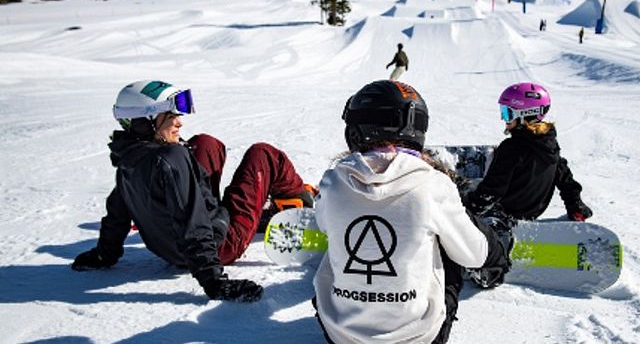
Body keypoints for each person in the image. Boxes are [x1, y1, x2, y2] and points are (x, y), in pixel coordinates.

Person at [71, 80, 313, 302]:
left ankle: (253, 212)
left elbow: (118, 214)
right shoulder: (171, 159)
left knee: (205, 144)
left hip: (172, 249)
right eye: (170, 116)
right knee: (264, 155)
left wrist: (105, 255)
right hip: (219, 246)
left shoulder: (128, 161)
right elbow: (192, 222)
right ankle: (297, 203)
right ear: (144, 123)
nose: (179, 121)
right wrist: (215, 282)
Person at [312, 80, 512, 343]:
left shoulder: (333, 182)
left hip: (339, 336)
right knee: (448, 239)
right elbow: (474, 256)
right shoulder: (433, 185)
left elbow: (325, 225)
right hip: (420, 339)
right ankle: (496, 247)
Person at [463, 82, 593, 224]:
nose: (503, 118)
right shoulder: (548, 146)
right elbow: (566, 180)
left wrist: (463, 210)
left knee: (458, 189)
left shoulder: (512, 148)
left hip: (500, 216)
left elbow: (491, 192)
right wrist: (575, 205)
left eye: (507, 113)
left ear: (524, 114)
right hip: (530, 213)